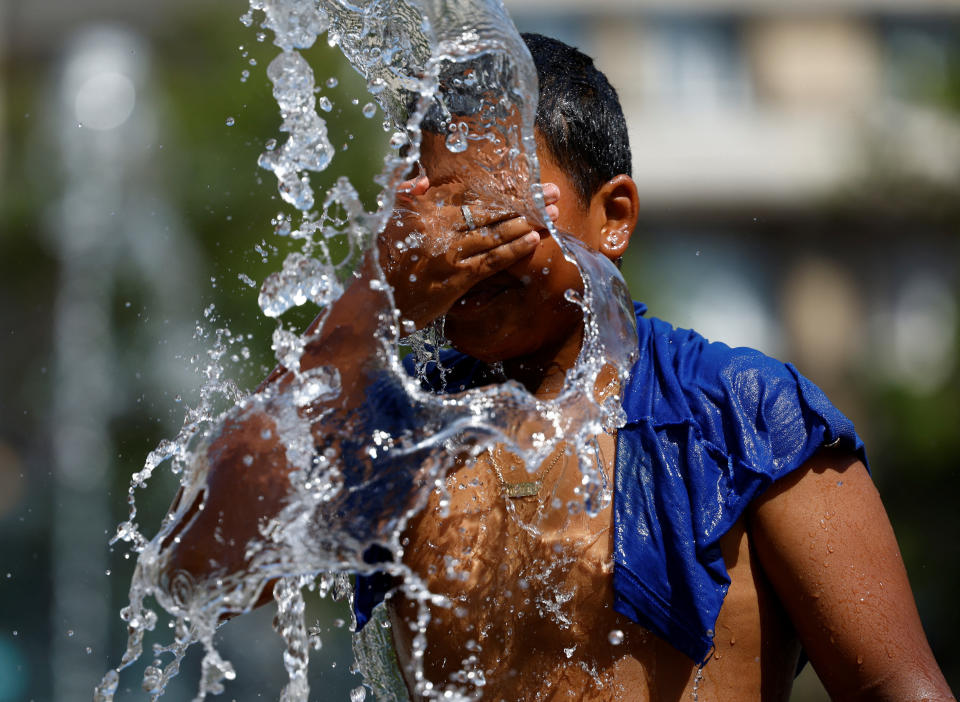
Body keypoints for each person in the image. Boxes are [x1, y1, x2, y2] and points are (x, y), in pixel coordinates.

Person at [160, 33, 955, 701]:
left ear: (612, 217)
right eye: (434, 221)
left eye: (496, 217)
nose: (462, 255)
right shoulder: (397, 423)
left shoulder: (741, 419)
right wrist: (363, 310)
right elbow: (196, 569)